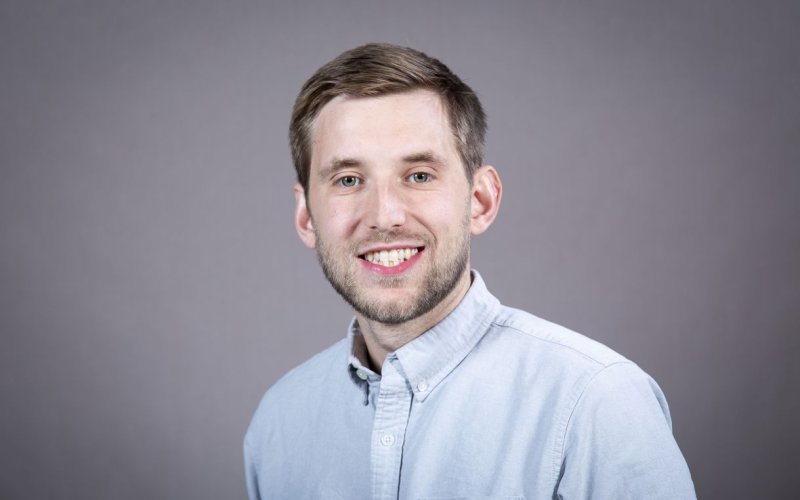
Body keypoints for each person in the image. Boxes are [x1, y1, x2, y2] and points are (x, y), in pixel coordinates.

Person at [244, 43, 696, 499]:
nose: (384, 216)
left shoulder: (595, 404)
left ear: (480, 201)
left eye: (419, 175)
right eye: (348, 180)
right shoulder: (279, 424)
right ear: (306, 216)